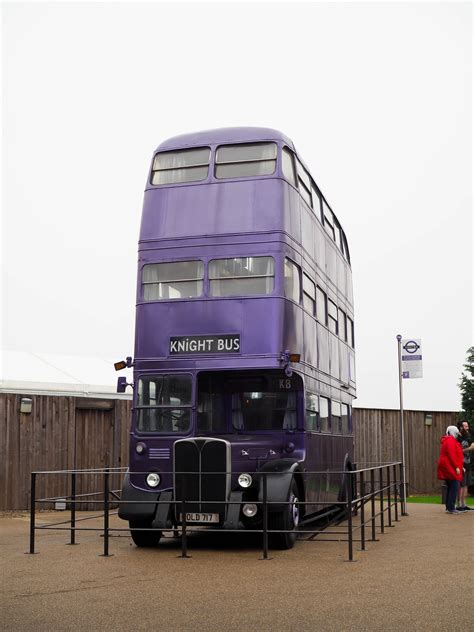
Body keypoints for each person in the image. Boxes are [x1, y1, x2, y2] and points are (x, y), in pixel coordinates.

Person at [437, 425, 464, 514]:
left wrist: (460, 466)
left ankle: (449, 507)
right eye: (456, 433)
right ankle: (451, 507)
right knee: (454, 486)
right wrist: (456, 467)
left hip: (448, 466)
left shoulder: (448, 440)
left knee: (451, 486)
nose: (457, 434)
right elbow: (451, 454)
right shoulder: (450, 440)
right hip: (450, 467)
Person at [456, 420, 473, 511]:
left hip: (467, 463)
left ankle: (464, 504)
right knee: (461, 485)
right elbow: (457, 452)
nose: (468, 428)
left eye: (468, 426)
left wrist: (471, 447)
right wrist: (469, 448)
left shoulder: (467, 437)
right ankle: (458, 505)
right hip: (461, 464)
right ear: (461, 427)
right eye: (466, 426)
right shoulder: (458, 438)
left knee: (466, 484)